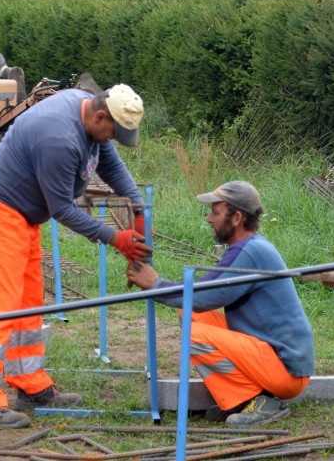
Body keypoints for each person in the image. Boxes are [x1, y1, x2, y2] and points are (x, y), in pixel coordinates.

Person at [0, 83, 152, 429]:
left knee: (28, 300)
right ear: (100, 116)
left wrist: (137, 210)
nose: (112, 141)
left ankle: (29, 383)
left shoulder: (91, 120)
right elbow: (63, 209)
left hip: (22, 216)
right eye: (113, 132)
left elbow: (111, 166)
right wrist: (116, 238)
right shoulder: (59, 139)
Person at [126, 180, 314, 427]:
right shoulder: (246, 248)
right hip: (271, 356)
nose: (209, 219)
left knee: (194, 332)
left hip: (286, 371)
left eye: (216, 212)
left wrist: (155, 283)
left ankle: (255, 400)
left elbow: (201, 297)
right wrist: (157, 284)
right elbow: (199, 295)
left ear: (236, 218)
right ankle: (239, 399)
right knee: (192, 315)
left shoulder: (249, 252)